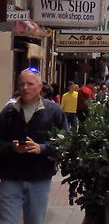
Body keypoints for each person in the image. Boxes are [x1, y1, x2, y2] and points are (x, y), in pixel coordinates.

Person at [0, 70, 70, 224]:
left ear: (40, 87)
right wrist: (11, 147)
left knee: (35, 220)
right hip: (11, 177)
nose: (25, 88)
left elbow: (65, 143)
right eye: (21, 84)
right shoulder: (9, 111)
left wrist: (42, 148)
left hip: (39, 178)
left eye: (30, 84)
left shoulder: (54, 111)